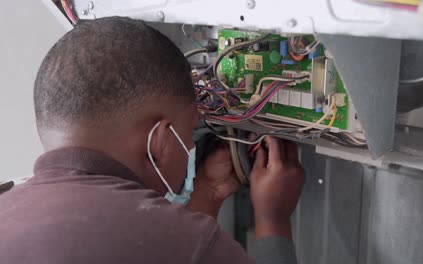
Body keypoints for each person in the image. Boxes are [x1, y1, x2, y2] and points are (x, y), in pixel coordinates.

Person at [0, 17, 304, 264]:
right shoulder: (185, 243)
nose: (190, 150)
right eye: (188, 138)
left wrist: (209, 192)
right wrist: (272, 217)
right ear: (160, 140)